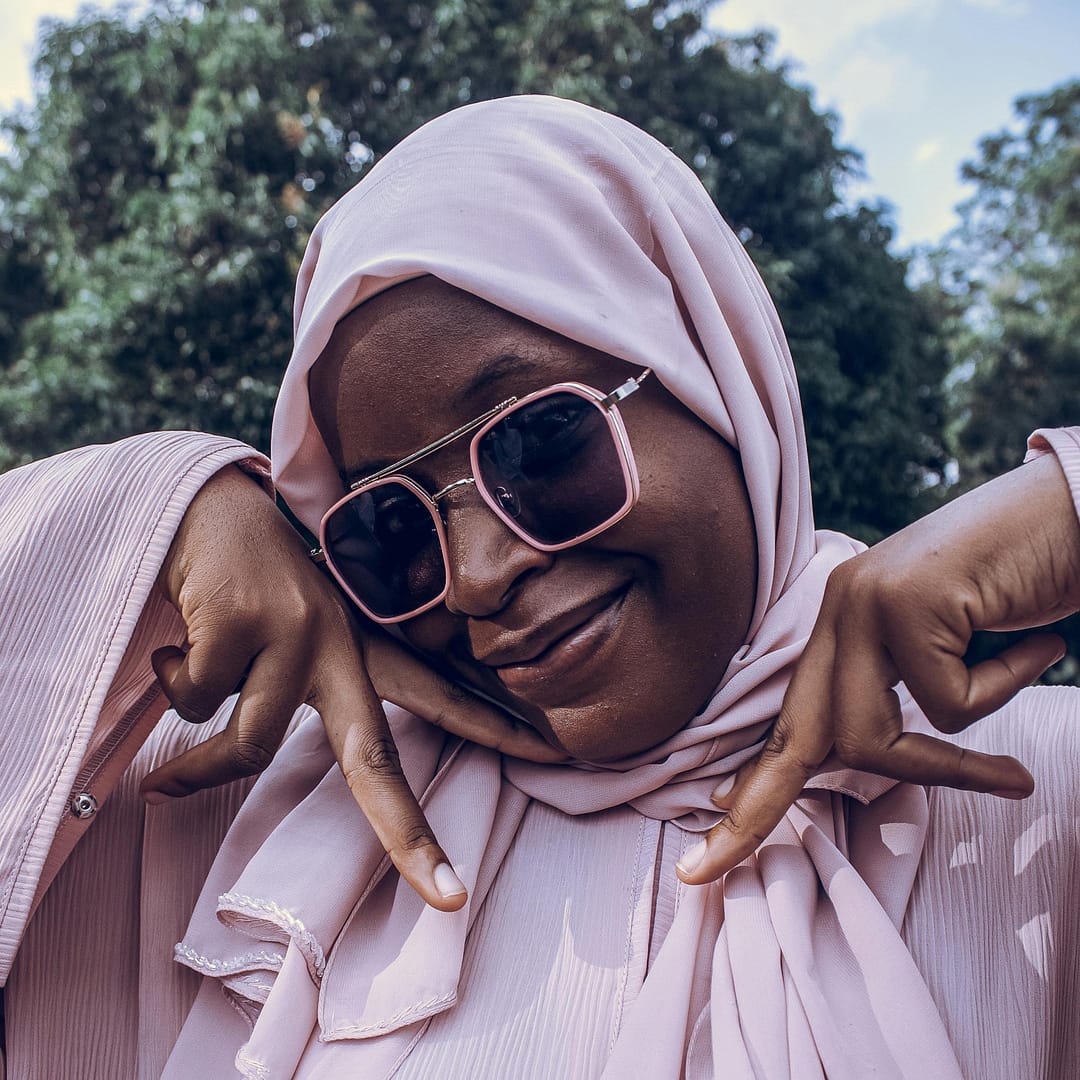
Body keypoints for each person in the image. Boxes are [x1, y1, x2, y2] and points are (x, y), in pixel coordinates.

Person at [0, 95, 1078, 1079]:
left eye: (541, 438)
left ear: (721, 376)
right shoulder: (244, 825)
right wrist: (160, 508)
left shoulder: (1032, 793)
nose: (474, 578)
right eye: (390, 527)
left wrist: (1066, 504)